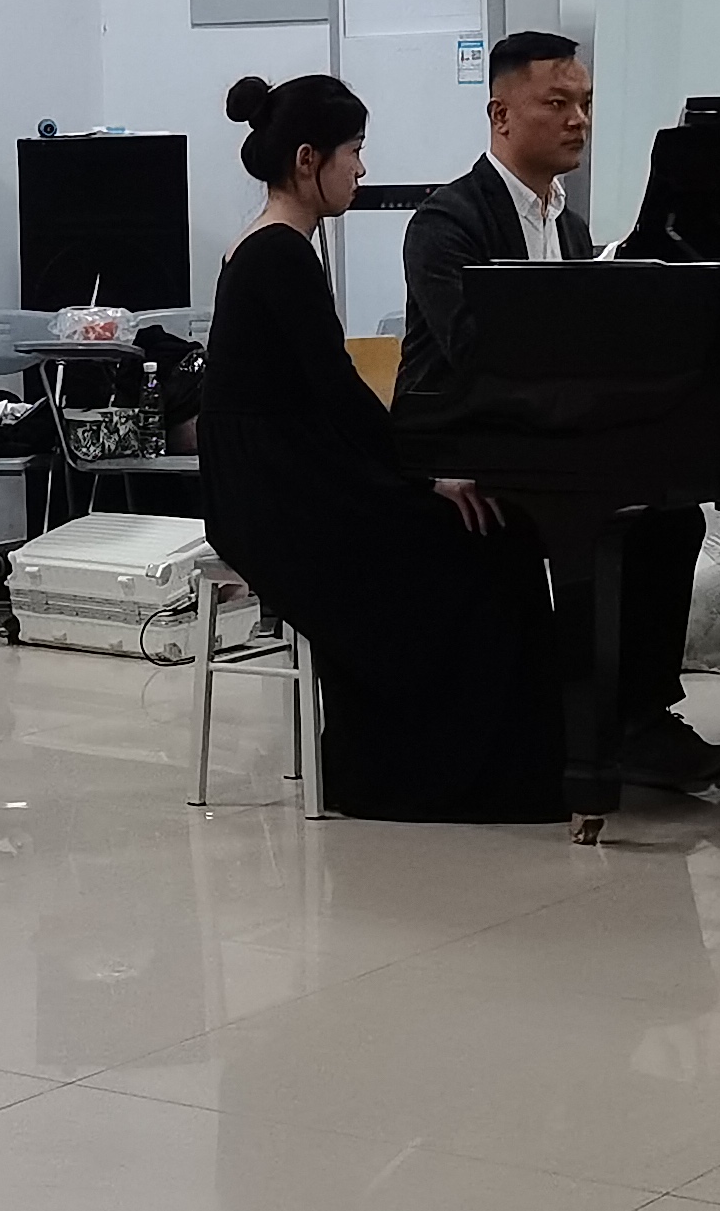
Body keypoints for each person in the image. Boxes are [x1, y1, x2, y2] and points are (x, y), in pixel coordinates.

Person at [197, 71, 568, 822]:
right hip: (278, 495)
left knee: (480, 531)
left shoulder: (265, 247)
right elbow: (337, 394)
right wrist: (425, 478)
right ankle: (456, 772)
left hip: (280, 476)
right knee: (483, 539)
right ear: (309, 160)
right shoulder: (280, 254)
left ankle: (485, 763)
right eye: (354, 152)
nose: (362, 170)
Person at [395, 30, 720, 800]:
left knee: (671, 517)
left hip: (543, 441)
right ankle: (593, 732)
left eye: (585, 103)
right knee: (610, 528)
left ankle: (636, 717)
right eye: (557, 102)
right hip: (462, 449)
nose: (578, 119)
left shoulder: (571, 227)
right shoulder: (447, 222)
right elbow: (473, 353)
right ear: (501, 115)